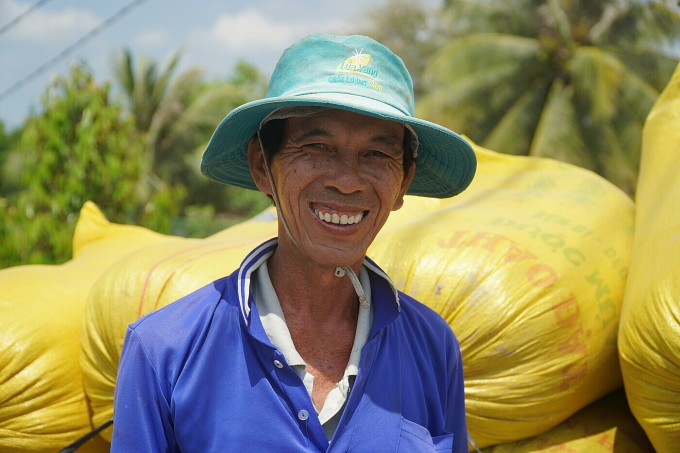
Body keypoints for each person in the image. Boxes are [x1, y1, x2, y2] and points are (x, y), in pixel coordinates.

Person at [111, 33, 476, 452]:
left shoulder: (431, 346)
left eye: (377, 155)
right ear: (262, 167)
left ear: (402, 185)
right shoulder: (166, 352)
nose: (346, 180)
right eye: (317, 147)